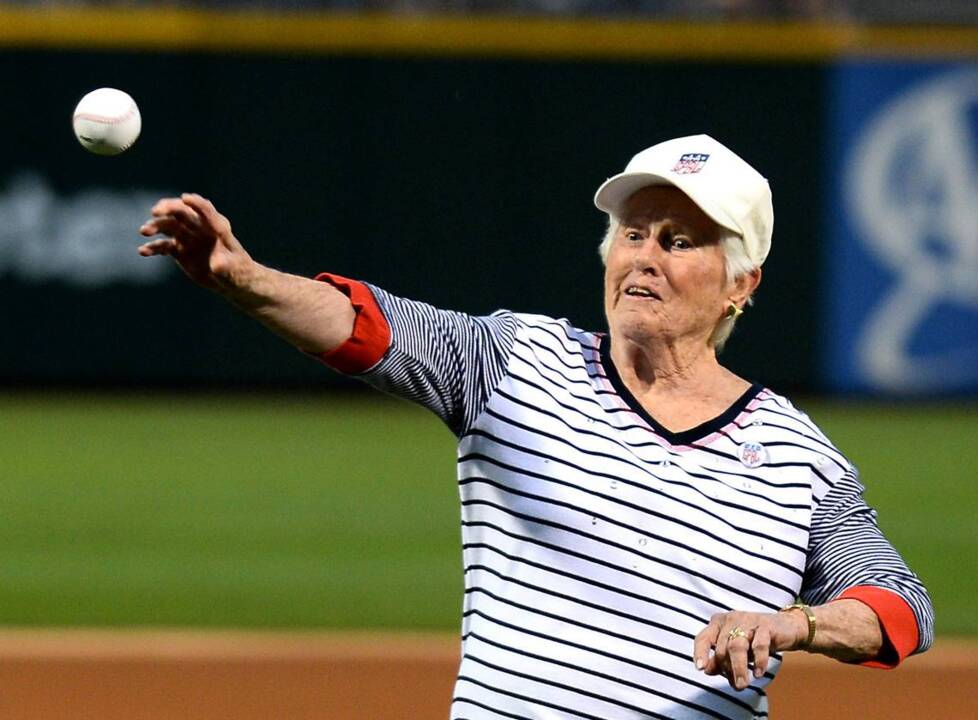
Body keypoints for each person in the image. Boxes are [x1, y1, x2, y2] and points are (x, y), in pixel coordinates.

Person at [138, 134, 934, 719]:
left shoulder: (797, 458)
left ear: (741, 283)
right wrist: (246, 282)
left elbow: (899, 608)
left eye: (680, 240)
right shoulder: (517, 363)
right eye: (633, 233)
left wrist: (797, 623)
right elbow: (370, 326)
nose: (645, 256)